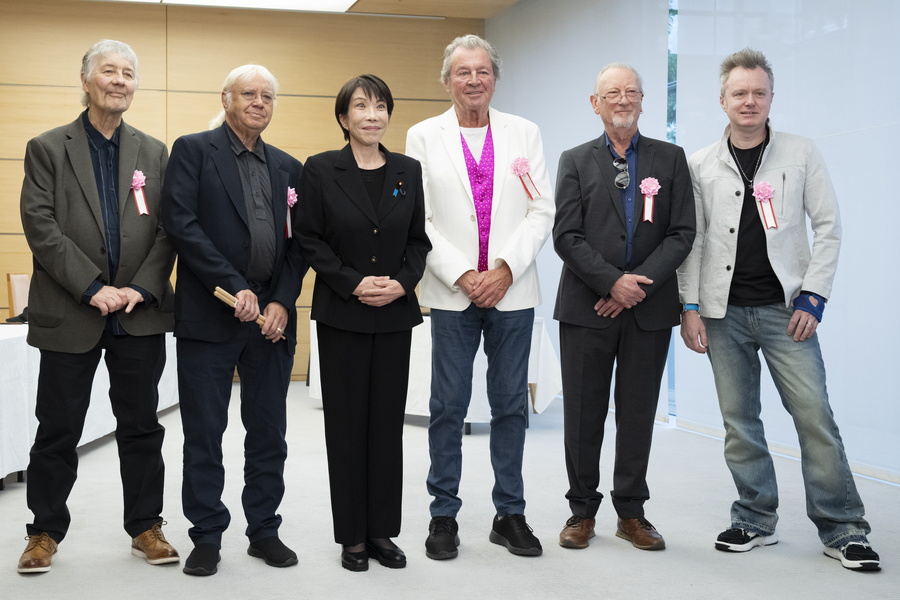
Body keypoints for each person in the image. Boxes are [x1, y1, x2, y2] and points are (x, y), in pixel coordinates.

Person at [677, 48, 880, 571]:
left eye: (759, 92)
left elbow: (829, 227)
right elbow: (693, 241)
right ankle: (753, 517)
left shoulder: (801, 152)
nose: (750, 101)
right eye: (739, 93)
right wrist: (691, 306)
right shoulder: (700, 164)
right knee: (739, 421)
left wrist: (813, 297)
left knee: (814, 417)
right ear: (722, 100)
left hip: (785, 311)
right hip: (722, 315)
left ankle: (843, 528)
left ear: (771, 98)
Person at [17, 39, 178, 573]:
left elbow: (168, 230)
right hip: (72, 311)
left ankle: (147, 527)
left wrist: (141, 287)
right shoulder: (47, 147)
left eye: (128, 73)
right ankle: (43, 532)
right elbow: (41, 227)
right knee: (58, 428)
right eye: (108, 71)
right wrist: (91, 286)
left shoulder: (155, 153)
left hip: (139, 314)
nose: (119, 81)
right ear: (85, 80)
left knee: (141, 427)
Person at [406, 34, 555, 559]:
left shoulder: (525, 133)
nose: (474, 80)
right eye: (463, 72)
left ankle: (509, 513)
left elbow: (542, 209)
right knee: (448, 405)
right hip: (453, 293)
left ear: (495, 78)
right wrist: (465, 275)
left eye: (483, 71)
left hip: (512, 291)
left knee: (511, 405)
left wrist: (506, 269)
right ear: (447, 80)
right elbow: (418, 218)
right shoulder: (423, 136)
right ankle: (442, 514)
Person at [161, 64, 306, 576]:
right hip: (209, 316)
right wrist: (235, 287)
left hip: (270, 323)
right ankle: (206, 534)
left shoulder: (290, 167)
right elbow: (181, 224)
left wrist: (282, 301)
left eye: (268, 95)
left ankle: (264, 529)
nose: (259, 102)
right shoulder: (194, 151)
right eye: (249, 93)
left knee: (268, 432)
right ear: (226, 98)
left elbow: (297, 246)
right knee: (205, 431)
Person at [552, 63, 695, 553]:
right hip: (585, 306)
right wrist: (612, 283)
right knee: (583, 414)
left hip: (648, 310)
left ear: (642, 100)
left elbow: (682, 232)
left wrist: (639, 287)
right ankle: (581, 511)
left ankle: (631, 513)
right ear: (595, 103)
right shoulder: (574, 160)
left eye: (631, 91)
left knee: (637, 412)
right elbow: (565, 236)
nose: (622, 99)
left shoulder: (670, 158)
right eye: (611, 92)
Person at [297, 74, 430, 572]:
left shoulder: (407, 170)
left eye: (380, 106)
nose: (372, 115)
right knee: (347, 427)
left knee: (385, 429)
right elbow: (309, 240)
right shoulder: (320, 170)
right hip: (343, 315)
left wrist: (401, 282)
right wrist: (352, 281)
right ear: (343, 118)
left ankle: (381, 531)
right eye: (361, 106)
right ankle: (351, 536)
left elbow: (419, 240)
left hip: (394, 316)